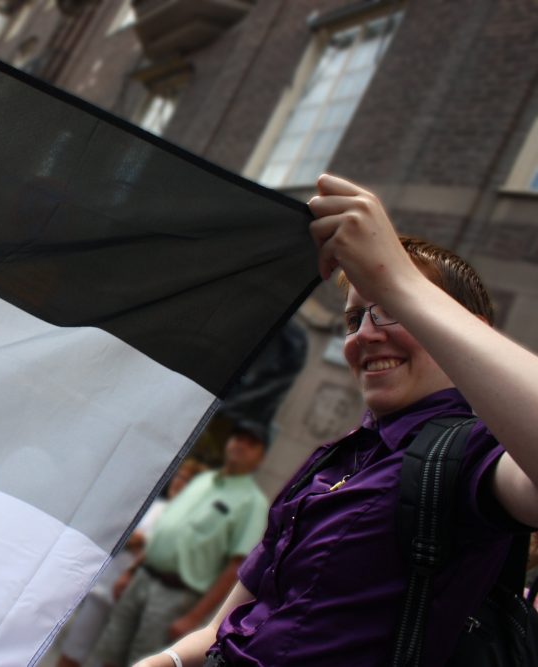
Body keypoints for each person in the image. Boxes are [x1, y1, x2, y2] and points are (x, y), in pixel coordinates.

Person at [135, 173, 538, 667]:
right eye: (353, 319)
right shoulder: (332, 461)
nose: (362, 337)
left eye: (390, 310)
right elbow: (227, 628)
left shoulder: (477, 454)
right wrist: (167, 662)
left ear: (464, 329)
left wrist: (399, 277)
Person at [92, 425, 269, 667]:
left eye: (251, 444)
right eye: (238, 438)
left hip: (176, 595)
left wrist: (196, 617)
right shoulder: (204, 480)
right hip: (143, 577)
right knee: (109, 653)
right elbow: (167, 530)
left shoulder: (252, 502)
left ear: (260, 456)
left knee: (148, 661)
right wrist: (131, 572)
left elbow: (237, 567)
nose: (241, 445)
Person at [56, 459, 207, 667]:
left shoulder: (192, 521)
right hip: (107, 589)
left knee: (113, 659)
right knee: (74, 651)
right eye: (180, 476)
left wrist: (144, 543)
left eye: (188, 481)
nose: (180, 482)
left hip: (141, 597)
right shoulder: (154, 505)